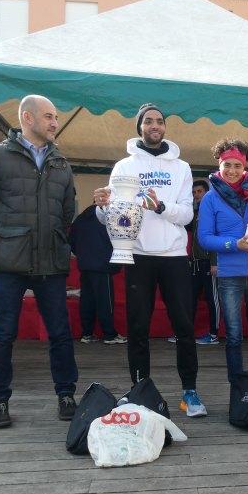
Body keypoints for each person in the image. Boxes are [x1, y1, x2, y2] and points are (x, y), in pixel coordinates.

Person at [0, 94, 78, 428]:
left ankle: (66, 395)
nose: (55, 123)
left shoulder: (61, 162)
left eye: (55, 117)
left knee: (60, 333)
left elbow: (67, 212)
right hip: (8, 263)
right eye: (49, 116)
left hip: (50, 261)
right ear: (27, 118)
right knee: (2, 333)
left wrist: (53, 240)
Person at [93, 103, 206, 417]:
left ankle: (190, 391)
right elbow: (110, 218)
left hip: (173, 256)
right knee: (138, 327)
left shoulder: (181, 167)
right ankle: (139, 389)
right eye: (148, 121)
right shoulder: (124, 166)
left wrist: (160, 207)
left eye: (159, 121)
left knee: (184, 326)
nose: (155, 125)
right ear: (139, 127)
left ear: (165, 127)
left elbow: (187, 215)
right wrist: (102, 206)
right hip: (138, 255)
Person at [197, 138, 248, 382]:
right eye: (227, 165)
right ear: (219, 165)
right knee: (233, 336)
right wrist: (235, 244)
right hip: (229, 276)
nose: (232, 171)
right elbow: (204, 238)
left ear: (245, 167)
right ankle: (237, 384)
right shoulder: (210, 199)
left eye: (237, 165)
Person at [69, 204, 126, 345]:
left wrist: (82, 255)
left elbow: (71, 240)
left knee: (87, 300)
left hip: (85, 265)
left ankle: (87, 334)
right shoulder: (109, 217)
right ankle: (109, 334)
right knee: (105, 301)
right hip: (103, 265)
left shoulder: (80, 219)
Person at [189, 179, 220, 345]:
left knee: (212, 299)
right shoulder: (195, 213)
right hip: (195, 264)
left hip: (209, 263)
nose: (196, 195)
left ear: (207, 193)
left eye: (199, 191)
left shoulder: (213, 212)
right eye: (194, 192)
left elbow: (215, 238)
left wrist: (214, 262)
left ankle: (214, 335)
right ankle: (185, 334)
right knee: (190, 298)